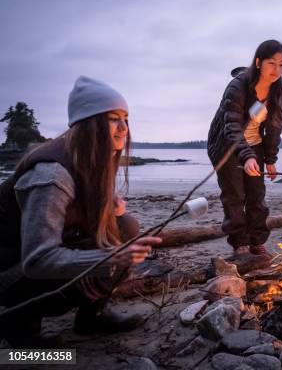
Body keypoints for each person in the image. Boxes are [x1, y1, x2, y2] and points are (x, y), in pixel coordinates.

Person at [0, 76, 162, 347]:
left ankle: (91, 317)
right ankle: (19, 329)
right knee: (115, 249)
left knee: (126, 228)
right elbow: (37, 260)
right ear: (89, 124)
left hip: (29, 263)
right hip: (11, 274)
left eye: (126, 118)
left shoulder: (89, 156)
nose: (124, 127)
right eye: (113, 119)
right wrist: (110, 256)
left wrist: (107, 204)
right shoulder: (50, 176)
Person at [207, 40, 282, 259]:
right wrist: (247, 156)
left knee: (256, 195)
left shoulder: (278, 92)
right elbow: (231, 126)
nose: (277, 70)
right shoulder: (238, 86)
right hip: (227, 144)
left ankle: (257, 241)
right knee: (235, 195)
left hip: (255, 145)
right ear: (259, 62)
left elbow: (273, 128)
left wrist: (270, 159)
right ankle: (240, 244)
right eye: (272, 63)